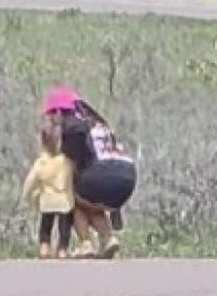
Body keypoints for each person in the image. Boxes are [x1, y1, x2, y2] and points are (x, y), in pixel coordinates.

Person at [41, 85, 137, 259]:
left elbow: (71, 163)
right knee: (92, 203)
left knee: (73, 198)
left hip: (101, 175)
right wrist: (116, 210)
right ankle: (108, 238)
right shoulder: (99, 123)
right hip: (127, 176)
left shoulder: (73, 127)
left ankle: (85, 243)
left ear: (59, 112)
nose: (52, 120)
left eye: (52, 115)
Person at [20, 115, 75, 259]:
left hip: (47, 200)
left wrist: (27, 197)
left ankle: (44, 247)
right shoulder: (66, 161)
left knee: (46, 225)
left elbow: (30, 182)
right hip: (64, 201)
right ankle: (62, 249)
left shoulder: (41, 163)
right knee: (65, 226)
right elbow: (74, 177)